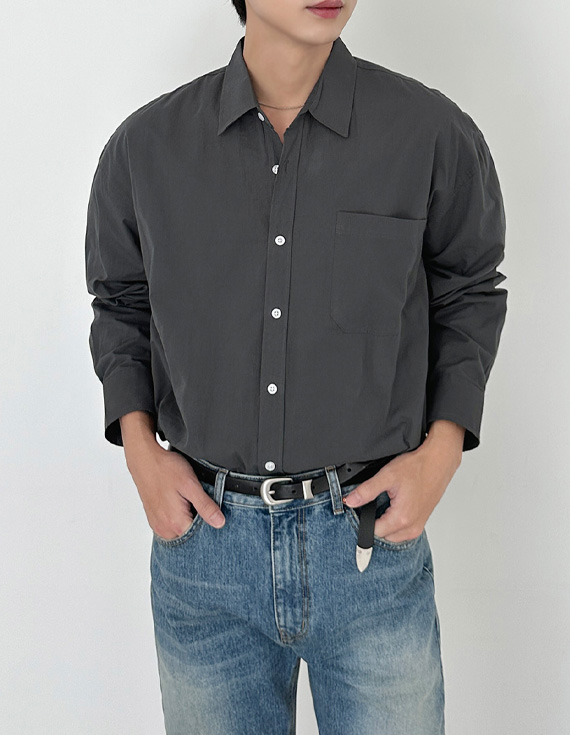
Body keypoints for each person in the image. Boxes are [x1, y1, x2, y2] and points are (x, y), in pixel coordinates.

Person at [84, 0, 508, 732]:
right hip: (206, 556)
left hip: (370, 545)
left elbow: (469, 288)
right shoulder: (145, 148)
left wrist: (442, 452)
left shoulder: (429, 133)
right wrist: (140, 452)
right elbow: (120, 299)